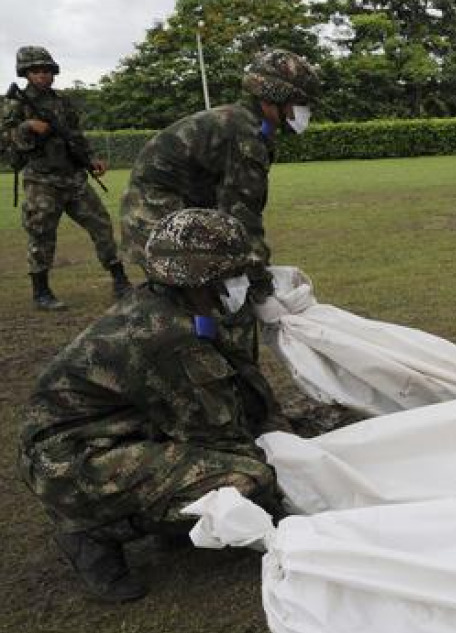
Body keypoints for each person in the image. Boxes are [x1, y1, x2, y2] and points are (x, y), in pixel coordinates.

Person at [21, 208, 290, 603]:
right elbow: (218, 435)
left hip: (110, 435)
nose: (241, 283)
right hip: (72, 461)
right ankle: (92, 529)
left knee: (253, 456)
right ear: (199, 279)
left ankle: (162, 513)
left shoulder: (175, 305)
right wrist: (287, 502)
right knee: (246, 477)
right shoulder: (168, 337)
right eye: (232, 274)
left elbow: (240, 389)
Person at [120, 48, 320, 296]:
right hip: (155, 212)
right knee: (197, 298)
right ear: (273, 98)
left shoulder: (243, 122)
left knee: (210, 289)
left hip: (168, 207)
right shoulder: (245, 136)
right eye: (300, 104)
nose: (305, 112)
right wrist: (260, 279)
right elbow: (243, 216)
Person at [2, 46, 132, 310]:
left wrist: (91, 158)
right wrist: (26, 127)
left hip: (73, 178)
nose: (42, 75)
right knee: (41, 235)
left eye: (46, 70)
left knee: (101, 226)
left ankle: (120, 281)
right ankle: (41, 292)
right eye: (36, 71)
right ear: (25, 73)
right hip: (41, 180)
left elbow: (76, 135)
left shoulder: (62, 101)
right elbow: (3, 140)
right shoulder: (13, 103)